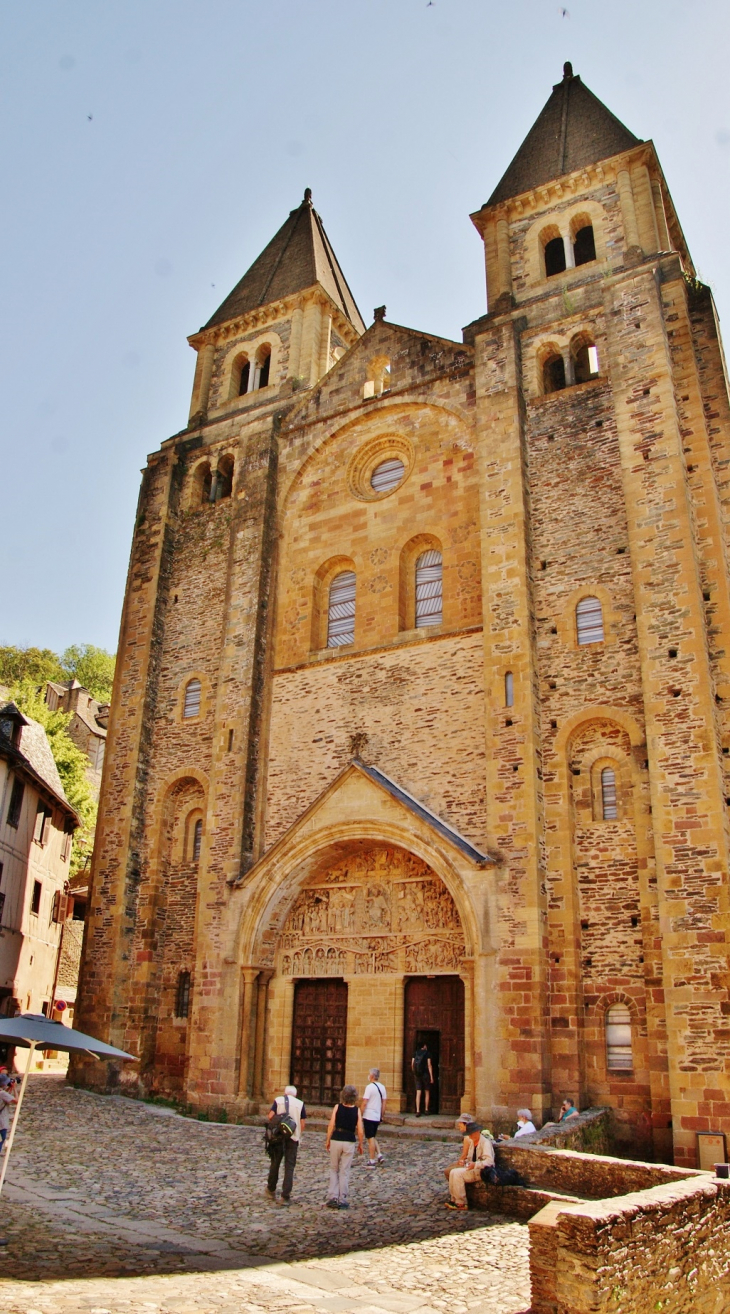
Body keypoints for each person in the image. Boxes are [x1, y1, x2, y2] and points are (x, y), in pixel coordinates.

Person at [325, 1084, 364, 1209]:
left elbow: (331, 1125)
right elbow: (360, 1129)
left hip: (337, 1138)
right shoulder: (356, 1110)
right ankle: (342, 1199)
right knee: (345, 1170)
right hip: (349, 1140)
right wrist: (361, 1143)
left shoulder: (337, 1107)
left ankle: (332, 1196)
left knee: (334, 1168)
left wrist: (328, 1139)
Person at [266, 1084, 306, 1206]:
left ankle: (271, 1189)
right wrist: (298, 1133)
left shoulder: (278, 1100)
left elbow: (270, 1116)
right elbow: (302, 1122)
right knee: (289, 1166)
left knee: (275, 1162)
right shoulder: (300, 1104)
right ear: (295, 1094)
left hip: (278, 1137)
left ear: (285, 1093)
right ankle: (285, 1196)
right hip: (293, 1137)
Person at [445, 1120, 495, 1211]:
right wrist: (464, 1162)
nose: (470, 1136)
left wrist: (475, 1164)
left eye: (471, 1134)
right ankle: (454, 1199)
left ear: (477, 1132)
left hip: (482, 1171)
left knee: (457, 1174)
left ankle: (461, 1202)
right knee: (452, 1172)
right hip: (473, 1168)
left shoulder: (485, 1143)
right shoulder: (473, 1142)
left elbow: (489, 1161)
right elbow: (470, 1157)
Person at [361, 1068, 387, 1167]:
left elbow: (364, 1102)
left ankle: (372, 1160)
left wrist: (360, 1113)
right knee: (373, 1136)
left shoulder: (369, 1087)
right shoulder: (383, 1087)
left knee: (370, 1138)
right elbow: (384, 1103)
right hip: (376, 1116)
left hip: (369, 1115)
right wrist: (382, 1115)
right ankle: (379, 1155)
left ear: (372, 1076)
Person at [411, 1042, 434, 1116]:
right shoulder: (427, 1053)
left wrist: (415, 1073)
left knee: (418, 1092)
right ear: (424, 1046)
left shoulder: (415, 1053)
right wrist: (431, 1077)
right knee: (427, 1091)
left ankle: (418, 1110)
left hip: (417, 1075)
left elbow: (412, 1064)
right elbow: (429, 1065)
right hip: (425, 1074)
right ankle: (426, 1109)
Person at [0, 1075, 17, 1152]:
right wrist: (15, 1088)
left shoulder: (2, 1093)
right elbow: (17, 1101)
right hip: (1, 1124)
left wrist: (9, 1088)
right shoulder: (2, 1093)